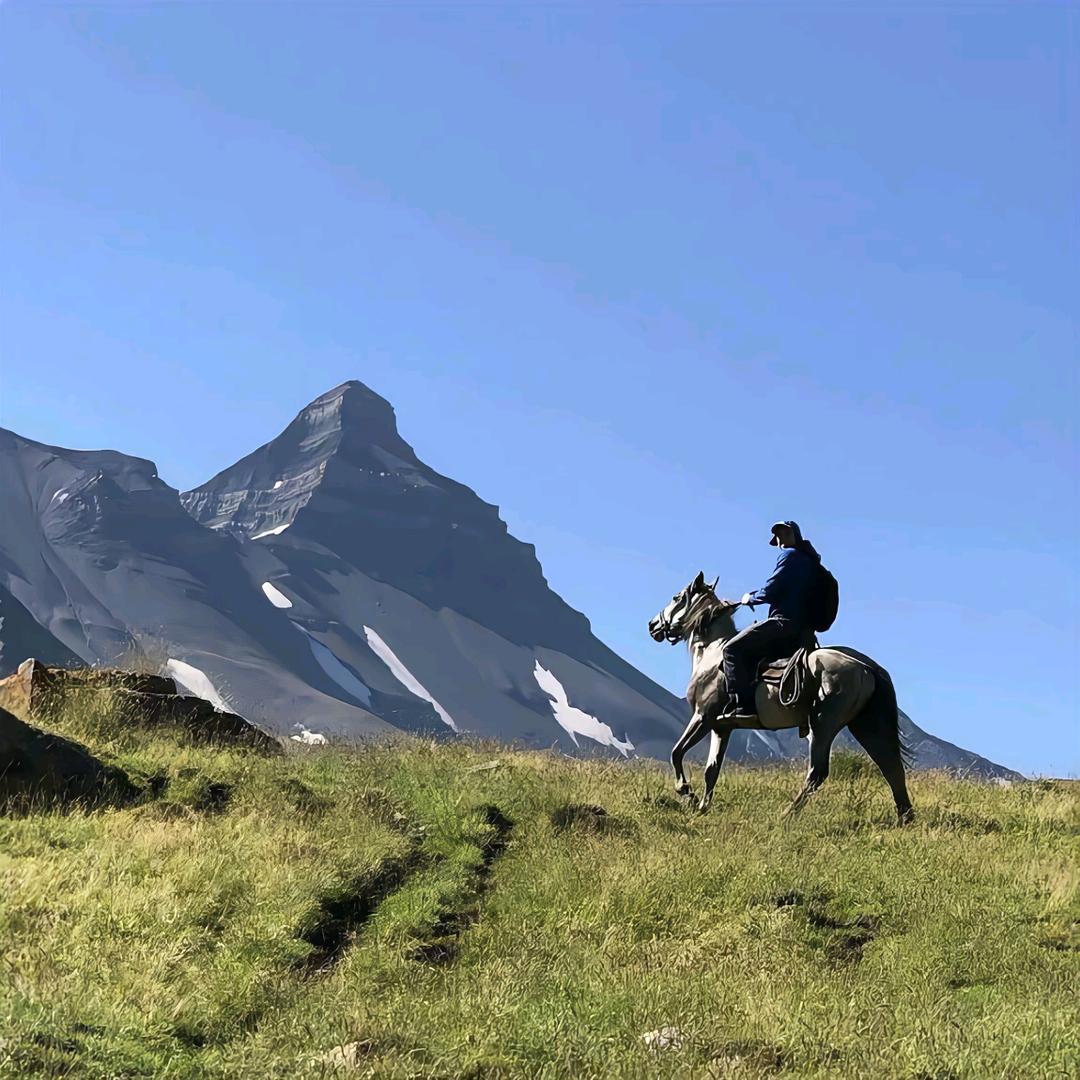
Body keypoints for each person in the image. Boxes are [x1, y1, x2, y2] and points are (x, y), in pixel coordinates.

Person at [722, 520, 821, 719]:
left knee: (730, 650)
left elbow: (771, 588)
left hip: (783, 622)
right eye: (777, 536)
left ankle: (745, 707)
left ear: (793, 535)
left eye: (783, 533)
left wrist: (750, 598)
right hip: (804, 629)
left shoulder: (789, 556)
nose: (780, 539)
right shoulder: (810, 561)